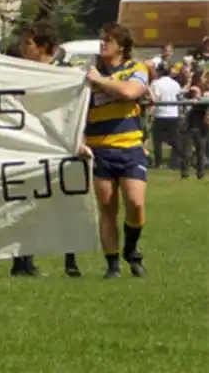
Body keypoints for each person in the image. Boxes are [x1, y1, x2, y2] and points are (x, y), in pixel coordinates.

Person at [84, 23, 149, 279]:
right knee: (107, 208)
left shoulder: (136, 69)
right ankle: (112, 266)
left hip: (130, 147)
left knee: (135, 203)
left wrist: (100, 81)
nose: (102, 45)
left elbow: (130, 91)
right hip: (99, 148)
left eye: (108, 41)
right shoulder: (88, 72)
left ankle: (131, 250)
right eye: (101, 40)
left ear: (122, 46)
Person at [17, 22, 82, 278]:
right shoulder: (17, 72)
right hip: (27, 147)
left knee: (66, 204)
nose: (23, 48)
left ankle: (71, 261)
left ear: (45, 47)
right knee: (25, 205)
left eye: (29, 44)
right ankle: (22, 262)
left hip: (60, 146)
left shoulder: (65, 74)